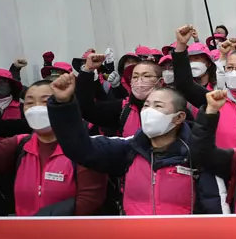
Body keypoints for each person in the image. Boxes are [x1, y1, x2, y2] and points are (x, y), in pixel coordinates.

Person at [47, 74, 222, 215]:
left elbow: (214, 206)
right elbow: (80, 149)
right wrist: (63, 105)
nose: (149, 111)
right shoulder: (127, 149)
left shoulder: (197, 155)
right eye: (146, 106)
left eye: (158, 106)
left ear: (179, 117)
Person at [0, 78, 107, 217]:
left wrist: (40, 223)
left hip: (70, 238)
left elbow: (89, 203)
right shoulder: (19, 145)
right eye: (29, 103)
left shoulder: (83, 149)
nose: (36, 108)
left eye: (46, 101)